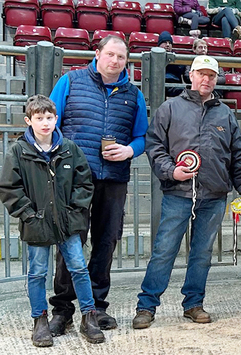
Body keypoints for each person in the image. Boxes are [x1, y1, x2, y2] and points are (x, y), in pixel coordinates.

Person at [132, 55, 241, 329]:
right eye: (201, 74)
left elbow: (237, 155)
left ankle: (194, 304)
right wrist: (170, 170)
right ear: (191, 75)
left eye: (211, 75)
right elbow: (154, 146)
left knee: (202, 253)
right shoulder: (170, 108)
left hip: (213, 195)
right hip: (178, 192)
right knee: (164, 250)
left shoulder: (225, 113)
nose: (206, 79)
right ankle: (146, 306)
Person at [48, 35, 148, 335]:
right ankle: (63, 309)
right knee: (71, 242)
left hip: (114, 179)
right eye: (111, 55)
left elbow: (141, 136)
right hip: (74, 180)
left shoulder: (133, 94)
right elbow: (50, 124)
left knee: (106, 243)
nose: (115, 61)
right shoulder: (71, 81)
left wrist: (129, 150)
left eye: (121, 57)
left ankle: (96, 307)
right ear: (98, 53)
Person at [0, 95, 104, 346]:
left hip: (68, 223)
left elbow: (84, 182)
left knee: (79, 268)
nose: (45, 123)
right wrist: (28, 215)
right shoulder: (18, 151)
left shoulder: (70, 148)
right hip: (37, 224)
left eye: (49, 118)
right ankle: (40, 320)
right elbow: (9, 188)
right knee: (37, 273)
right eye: (39, 118)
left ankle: (88, 317)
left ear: (56, 119)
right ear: (29, 120)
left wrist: (74, 211)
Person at [158, 31, 188, 97]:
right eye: (165, 42)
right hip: (158, 84)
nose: (168, 45)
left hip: (175, 85)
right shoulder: (152, 57)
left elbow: (187, 76)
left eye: (170, 43)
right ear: (159, 45)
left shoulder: (177, 58)